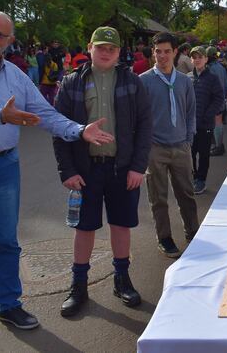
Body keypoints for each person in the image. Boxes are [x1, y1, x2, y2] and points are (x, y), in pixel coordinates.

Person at [0, 11, 113, 351]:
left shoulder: (15, 75)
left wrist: (78, 130)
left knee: (7, 243)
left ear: (9, 41)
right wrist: (0, 115)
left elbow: (42, 113)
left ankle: (9, 305)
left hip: (4, 167)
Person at [53, 26, 152, 317]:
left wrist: (138, 167)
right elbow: (60, 129)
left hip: (123, 170)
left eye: (112, 48)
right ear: (90, 48)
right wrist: (67, 171)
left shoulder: (133, 82)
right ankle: (78, 285)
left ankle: (122, 280)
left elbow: (145, 127)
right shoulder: (72, 83)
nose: (106, 52)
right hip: (85, 170)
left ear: (119, 52)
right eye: (101, 47)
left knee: (121, 226)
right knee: (84, 228)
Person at [140, 32, 198, 259]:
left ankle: (193, 231)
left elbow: (191, 111)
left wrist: (188, 139)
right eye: (158, 51)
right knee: (158, 197)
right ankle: (164, 237)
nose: (162, 56)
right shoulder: (143, 81)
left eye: (167, 51)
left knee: (186, 192)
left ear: (176, 52)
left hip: (181, 145)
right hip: (155, 148)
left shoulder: (185, 80)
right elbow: (139, 117)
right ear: (153, 53)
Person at [189, 46, 224, 195]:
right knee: (189, 154)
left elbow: (219, 98)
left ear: (206, 59)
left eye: (200, 57)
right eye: (194, 57)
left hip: (205, 124)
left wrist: (208, 114)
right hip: (189, 125)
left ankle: (201, 180)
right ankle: (192, 177)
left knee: (203, 154)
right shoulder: (187, 77)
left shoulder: (212, 78)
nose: (197, 60)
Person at [206, 47, 227, 156]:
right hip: (220, 97)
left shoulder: (210, 68)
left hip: (214, 98)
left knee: (217, 121)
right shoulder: (221, 67)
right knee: (217, 121)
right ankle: (218, 145)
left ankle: (219, 146)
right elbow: (226, 82)